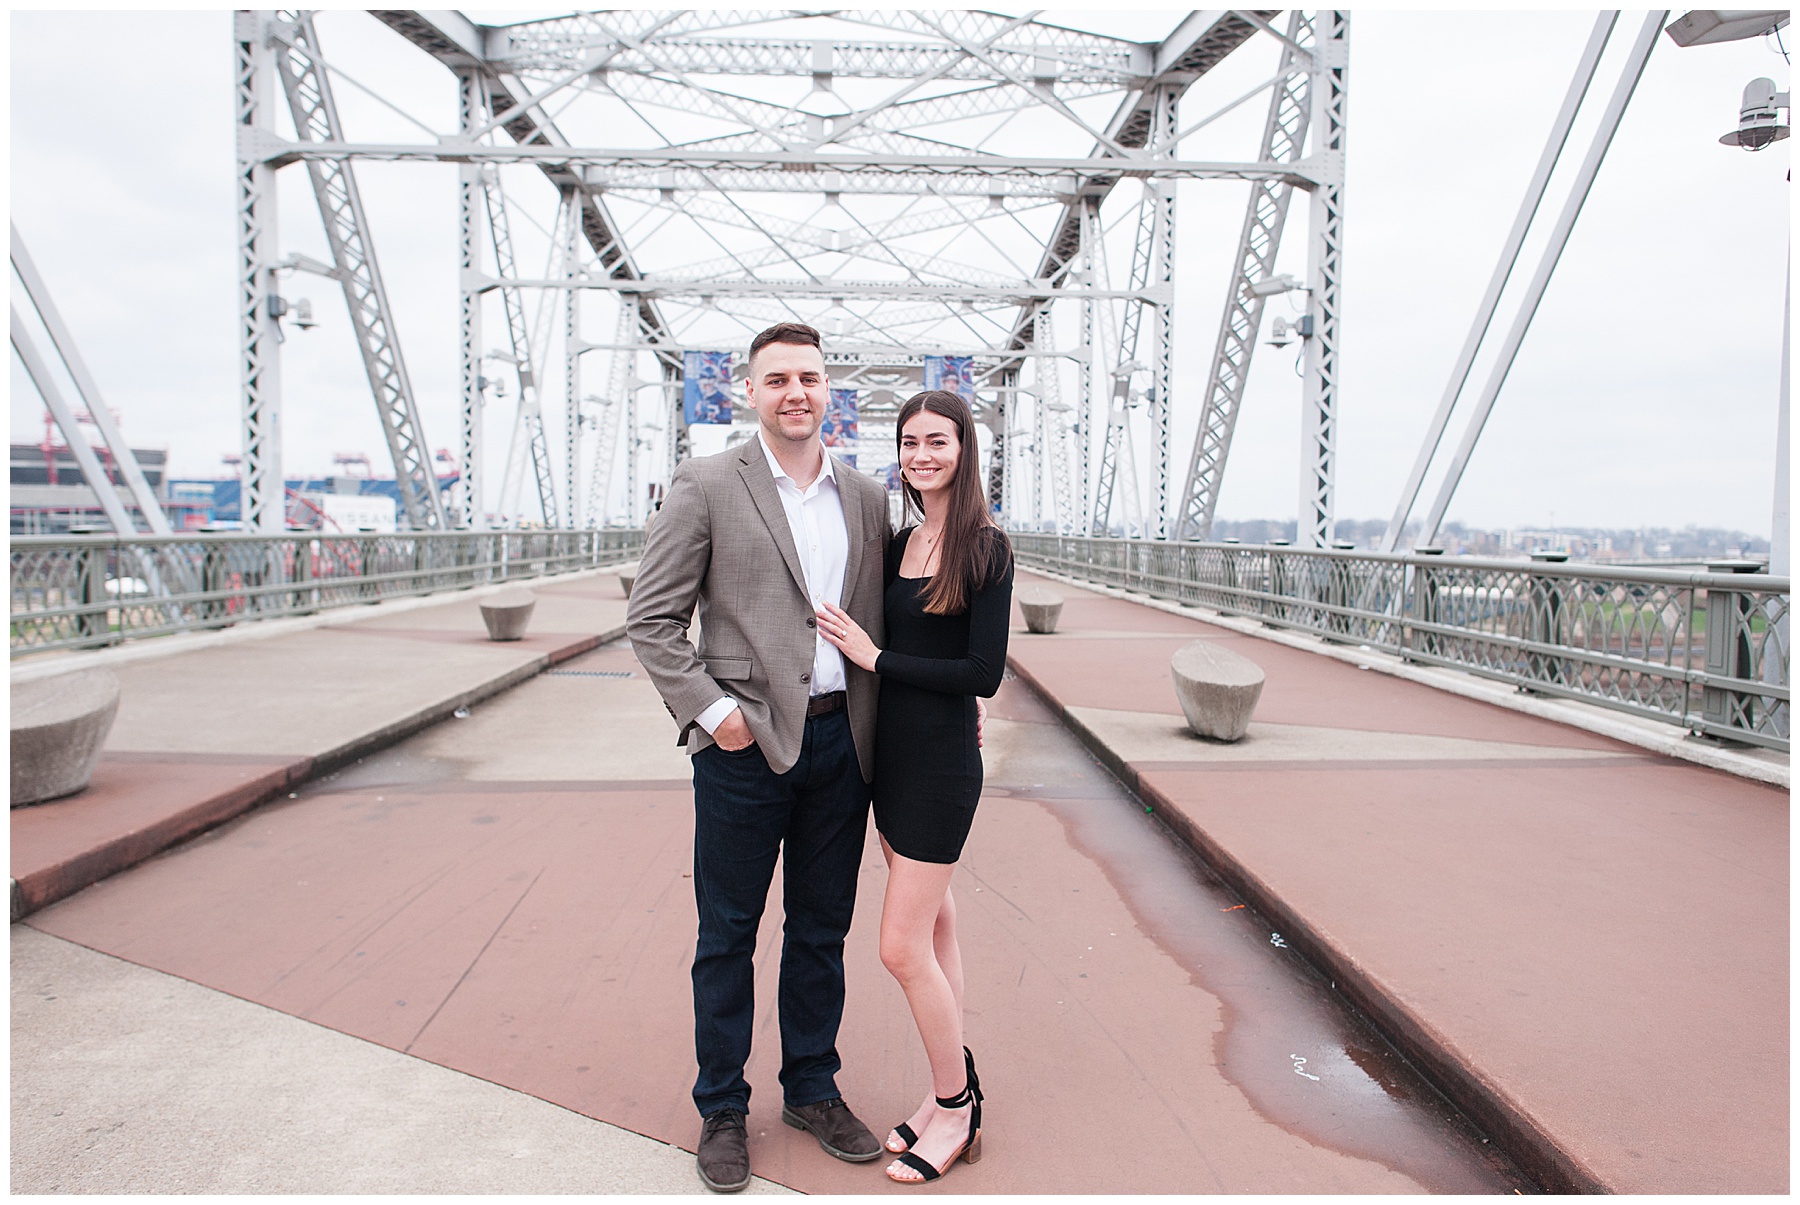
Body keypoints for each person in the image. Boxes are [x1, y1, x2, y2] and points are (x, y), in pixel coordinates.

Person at [627, 322, 892, 1192]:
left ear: (829, 389)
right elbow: (652, 619)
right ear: (750, 391)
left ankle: (812, 1088)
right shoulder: (707, 484)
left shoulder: (866, 497)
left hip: (840, 741)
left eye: (808, 377)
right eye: (776, 379)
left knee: (821, 929)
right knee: (727, 933)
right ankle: (722, 1108)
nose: (795, 393)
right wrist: (717, 715)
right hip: (742, 748)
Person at [814, 388, 1014, 1185]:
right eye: (909, 441)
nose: (921, 454)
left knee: (899, 945)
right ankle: (941, 1093)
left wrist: (875, 657)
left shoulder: (986, 547)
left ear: (964, 448)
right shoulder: (903, 538)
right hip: (889, 761)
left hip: (939, 768)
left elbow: (983, 673)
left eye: (937, 440)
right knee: (936, 930)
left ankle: (958, 1106)